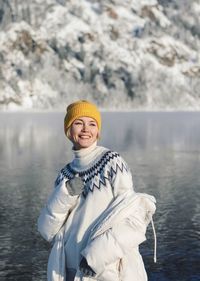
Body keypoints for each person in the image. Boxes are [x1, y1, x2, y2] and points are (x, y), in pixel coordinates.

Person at [38, 100, 156, 281]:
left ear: (98, 132)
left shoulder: (112, 162)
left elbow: (134, 219)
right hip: (68, 269)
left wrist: (95, 257)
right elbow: (48, 231)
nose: (86, 129)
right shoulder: (64, 174)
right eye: (78, 123)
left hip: (105, 269)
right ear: (69, 131)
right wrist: (65, 194)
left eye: (92, 124)